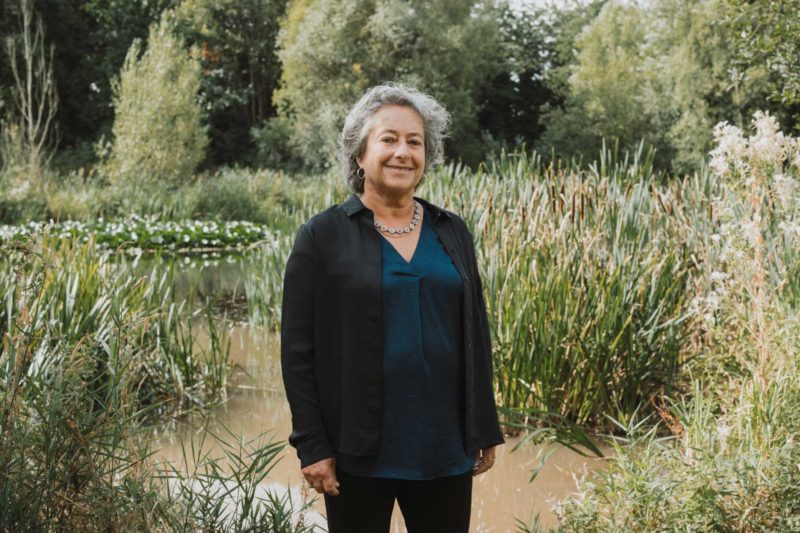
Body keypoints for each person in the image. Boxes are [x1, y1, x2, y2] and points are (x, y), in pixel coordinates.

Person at [281, 83, 504, 533]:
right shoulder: (322, 236)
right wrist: (313, 445)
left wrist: (484, 426)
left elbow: (474, 330)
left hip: (446, 449)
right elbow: (297, 352)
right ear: (360, 155)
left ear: (427, 156)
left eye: (415, 142)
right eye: (388, 139)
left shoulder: (451, 229)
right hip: (357, 453)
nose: (403, 152)